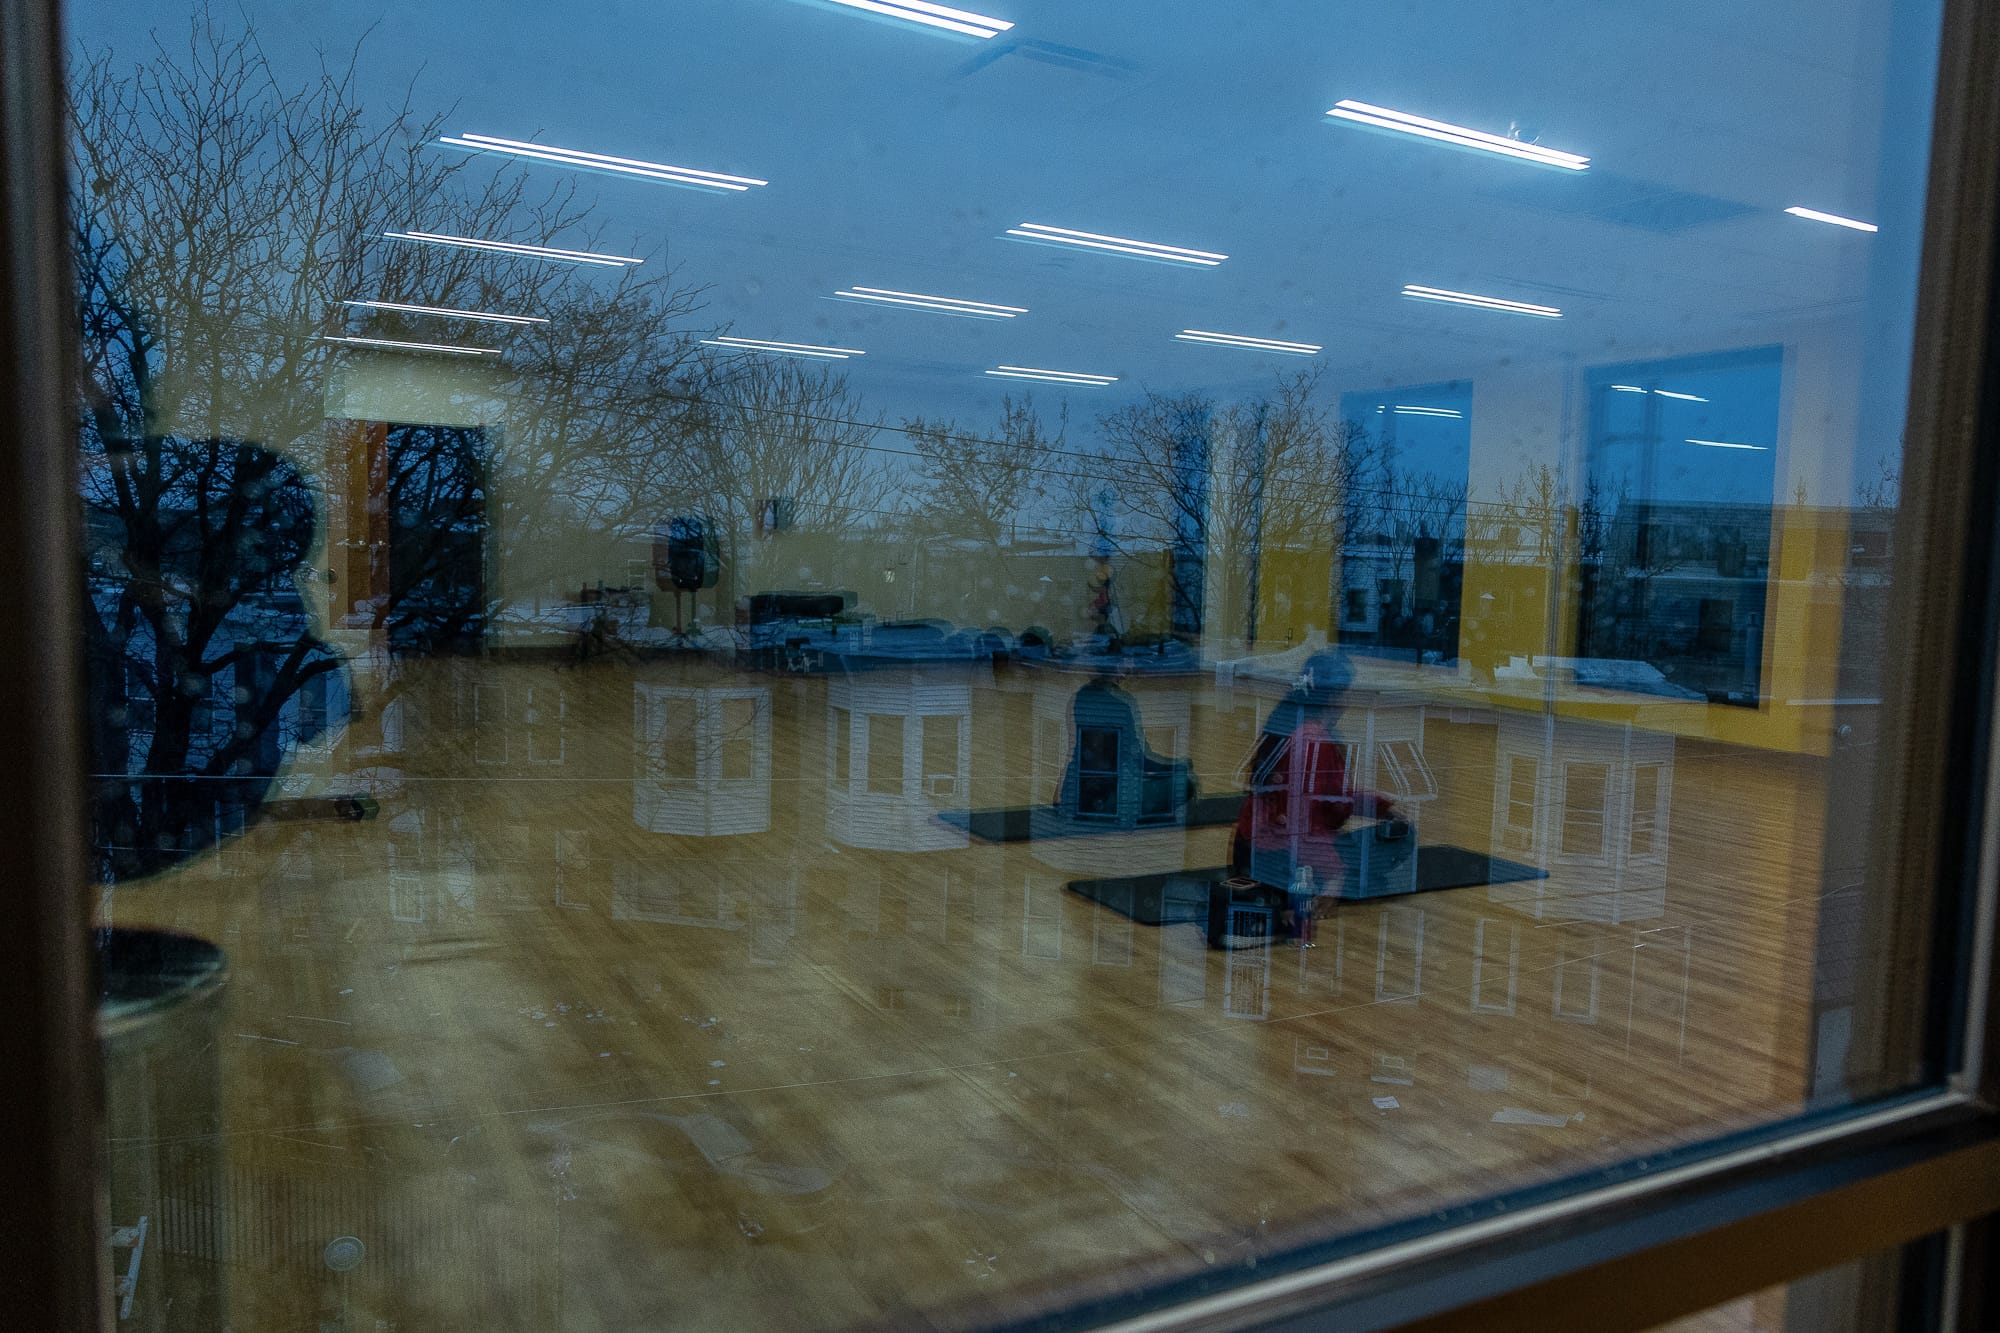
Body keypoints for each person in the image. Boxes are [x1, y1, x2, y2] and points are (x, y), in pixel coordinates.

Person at [1229, 650, 1398, 942]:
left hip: (1255, 854)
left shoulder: (1290, 723)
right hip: (1282, 862)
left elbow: (1325, 798)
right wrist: (1335, 877)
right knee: (1400, 838)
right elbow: (1302, 824)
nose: (1347, 702)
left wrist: (1379, 806)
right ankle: (1341, 882)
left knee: (1388, 832)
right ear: (1334, 697)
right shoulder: (1312, 739)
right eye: (1346, 693)